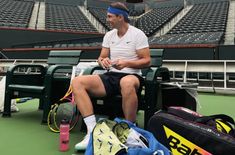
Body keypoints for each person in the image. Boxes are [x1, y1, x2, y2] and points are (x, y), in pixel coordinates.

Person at [71, 2, 150, 151]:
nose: (107, 19)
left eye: (110, 16)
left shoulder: (137, 34)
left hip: (131, 76)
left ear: (120, 17)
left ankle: (129, 130)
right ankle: (92, 131)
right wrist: (103, 61)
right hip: (111, 76)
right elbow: (101, 58)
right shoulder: (109, 35)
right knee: (77, 82)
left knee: (126, 82)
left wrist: (126, 62)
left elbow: (146, 61)